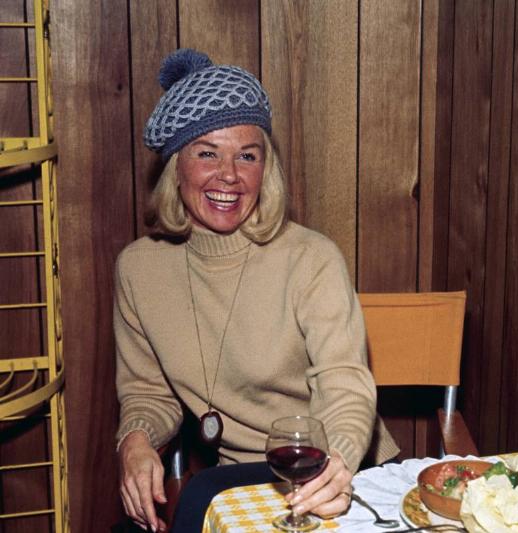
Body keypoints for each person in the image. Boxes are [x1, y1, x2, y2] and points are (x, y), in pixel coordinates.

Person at [114, 48, 399, 532]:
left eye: (247, 155)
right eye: (207, 153)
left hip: (336, 472)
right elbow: (148, 393)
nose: (229, 174)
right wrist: (135, 442)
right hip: (242, 485)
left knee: (200, 494)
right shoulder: (139, 269)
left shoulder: (311, 258)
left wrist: (339, 462)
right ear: (175, 166)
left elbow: (345, 384)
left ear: (265, 169)